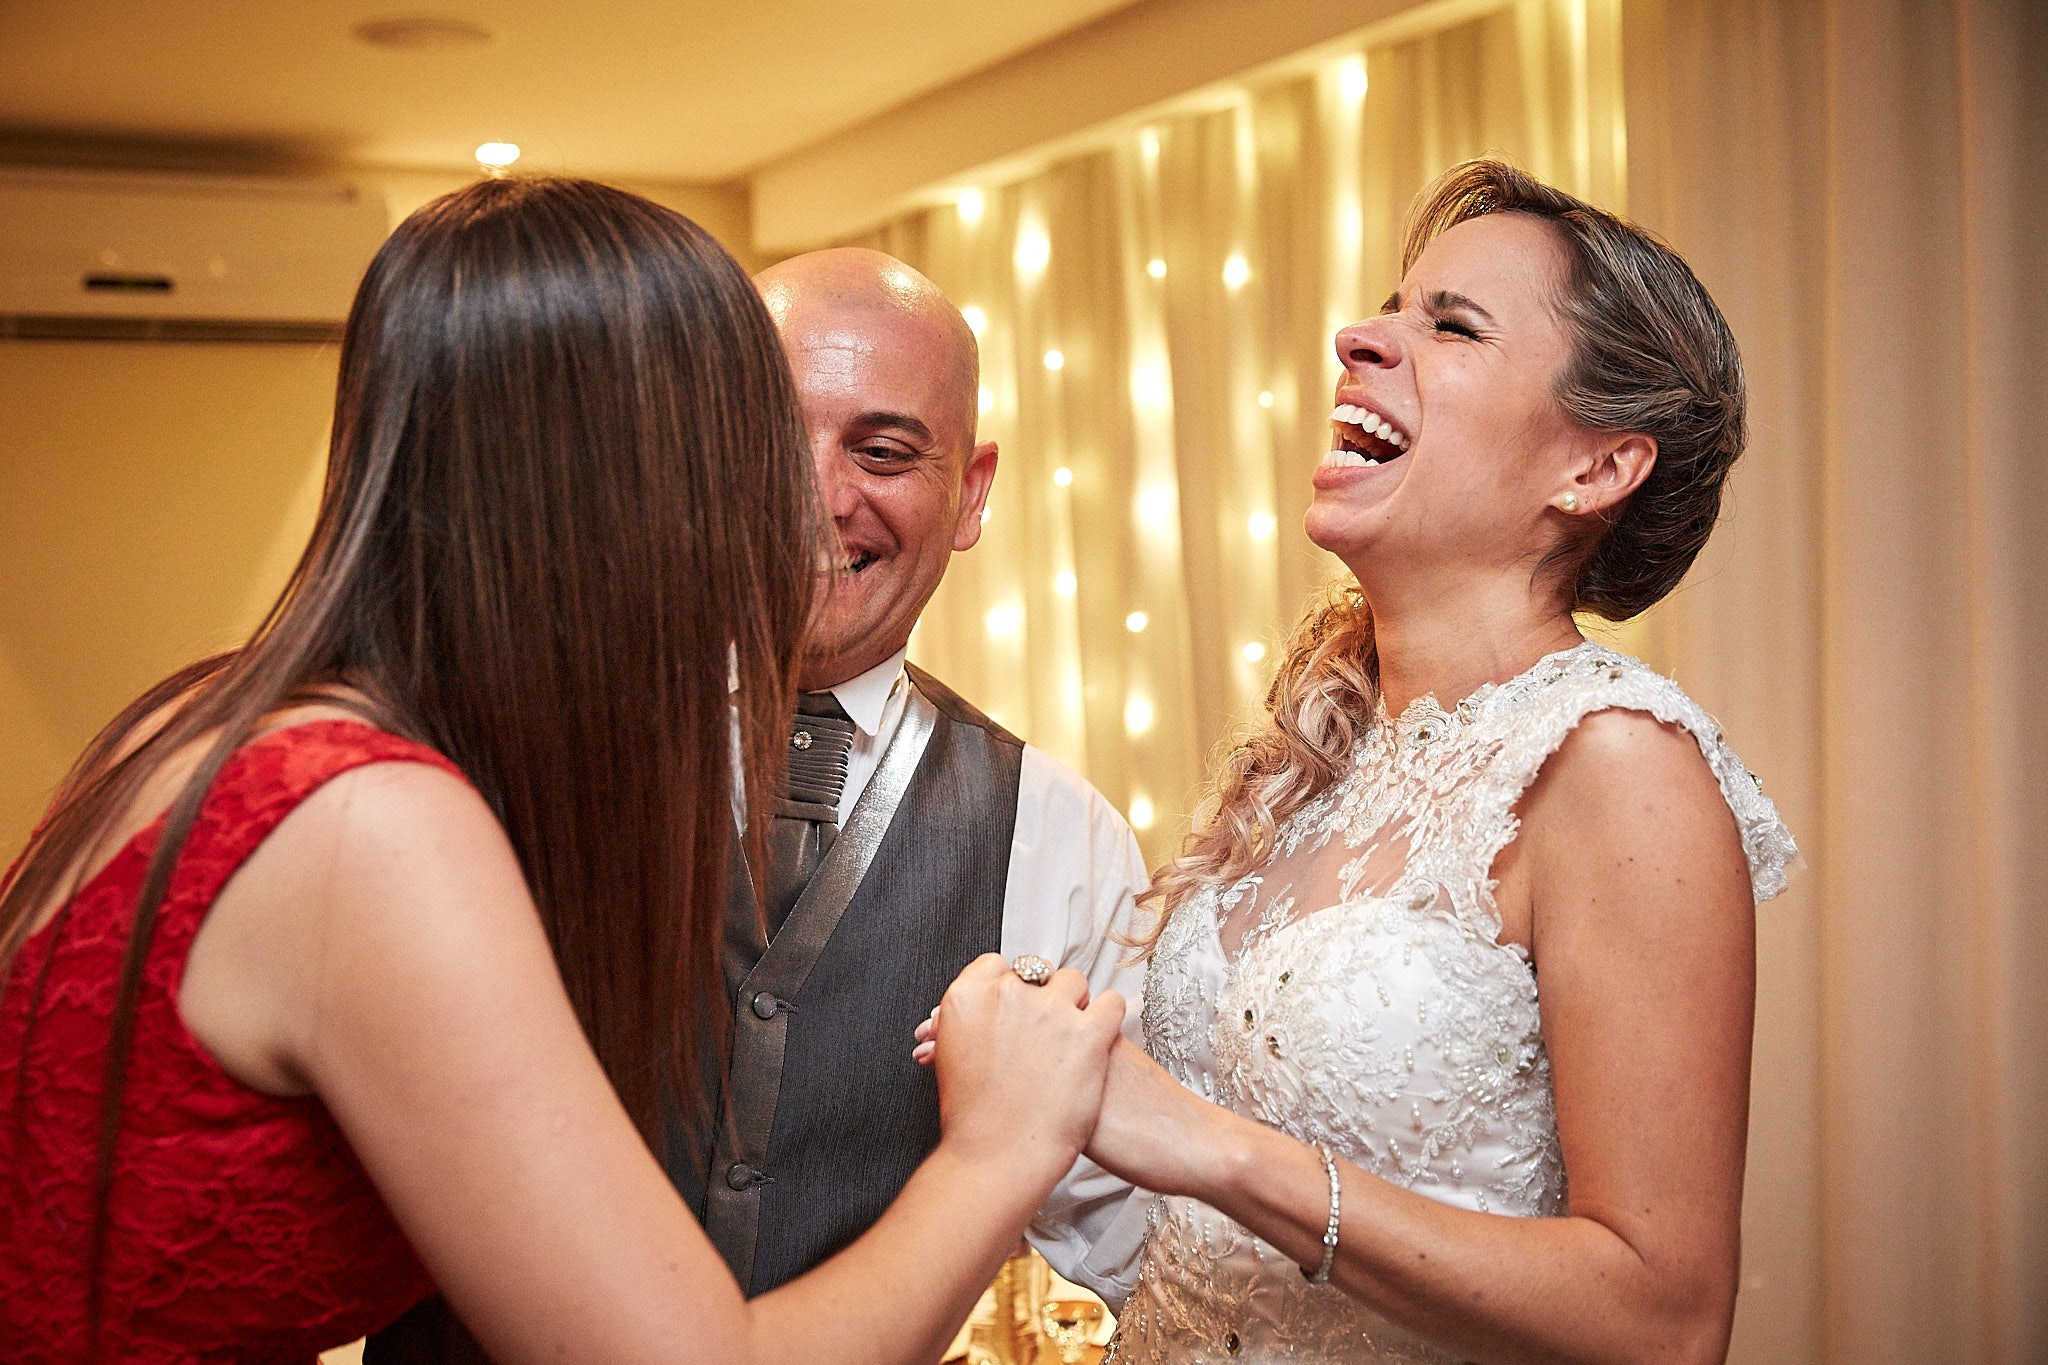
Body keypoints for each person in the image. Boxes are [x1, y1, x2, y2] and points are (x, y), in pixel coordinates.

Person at [0, 176, 1124, 1364]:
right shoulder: (373, 824)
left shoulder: (204, 717)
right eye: (740, 455)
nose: (789, 507)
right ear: (618, 492)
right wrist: (992, 1153)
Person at [1063, 160, 1797, 1362]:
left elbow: (1663, 1319)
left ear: (1593, 469)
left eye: (1449, 325)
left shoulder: (1612, 765)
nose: (1358, 338)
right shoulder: (1312, 755)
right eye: (1392, 307)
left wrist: (1221, 1153)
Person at [370, 245, 1153, 1359]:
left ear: (970, 494)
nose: (818, 498)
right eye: (771, 444)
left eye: (882, 452)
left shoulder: (1059, 836)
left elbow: (1133, 1245)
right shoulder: (510, 750)